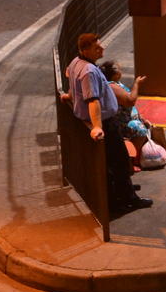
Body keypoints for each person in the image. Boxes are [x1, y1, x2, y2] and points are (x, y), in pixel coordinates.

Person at [65, 33, 152, 213]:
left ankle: (123, 189)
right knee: (119, 161)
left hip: (103, 121)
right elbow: (93, 100)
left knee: (114, 162)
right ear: (85, 50)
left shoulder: (75, 63)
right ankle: (128, 199)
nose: (102, 49)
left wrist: (70, 96)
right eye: (97, 48)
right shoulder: (88, 71)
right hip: (105, 123)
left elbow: (73, 83)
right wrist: (97, 126)